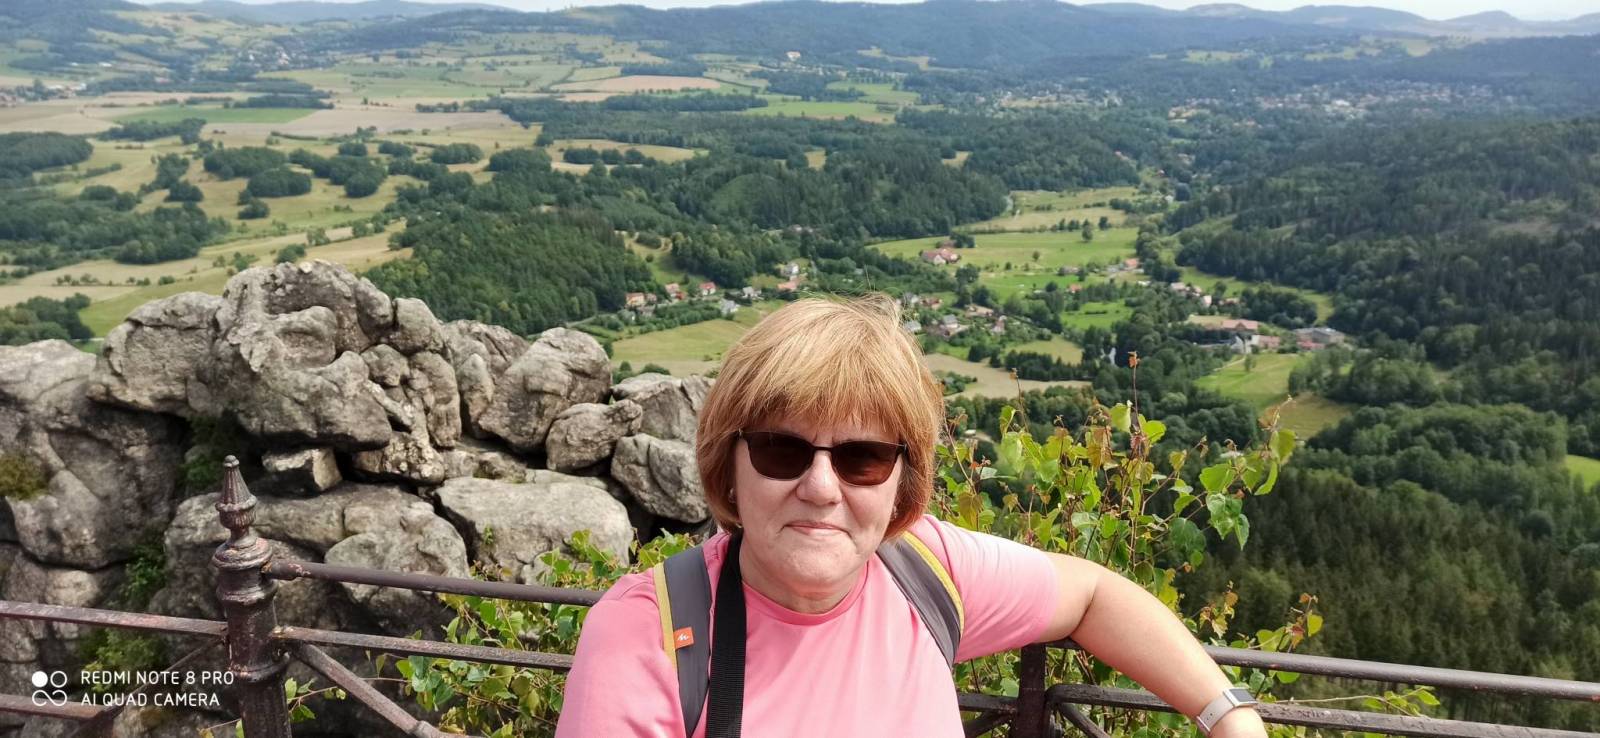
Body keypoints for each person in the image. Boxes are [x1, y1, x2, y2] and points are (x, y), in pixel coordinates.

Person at [555, 295, 1267, 738]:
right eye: (781, 450)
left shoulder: (925, 568)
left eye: (862, 458)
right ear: (729, 467)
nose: (821, 487)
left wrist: (1229, 715)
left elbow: (1091, 594)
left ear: (903, 483)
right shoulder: (646, 640)